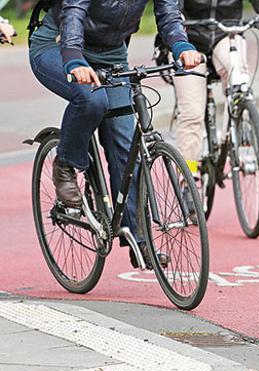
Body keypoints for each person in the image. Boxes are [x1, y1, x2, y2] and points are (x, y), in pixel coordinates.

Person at [28, 0, 203, 267]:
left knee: (125, 146)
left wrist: (181, 45)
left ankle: (139, 240)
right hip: (59, 44)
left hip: (111, 55)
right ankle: (65, 164)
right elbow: (73, 11)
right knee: (91, 101)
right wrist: (73, 57)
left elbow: (169, 14)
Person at [173, 0, 259, 176]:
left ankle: (237, 128)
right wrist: (178, 21)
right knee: (191, 113)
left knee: (238, 77)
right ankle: (187, 178)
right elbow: (170, 7)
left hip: (226, 34)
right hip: (189, 40)